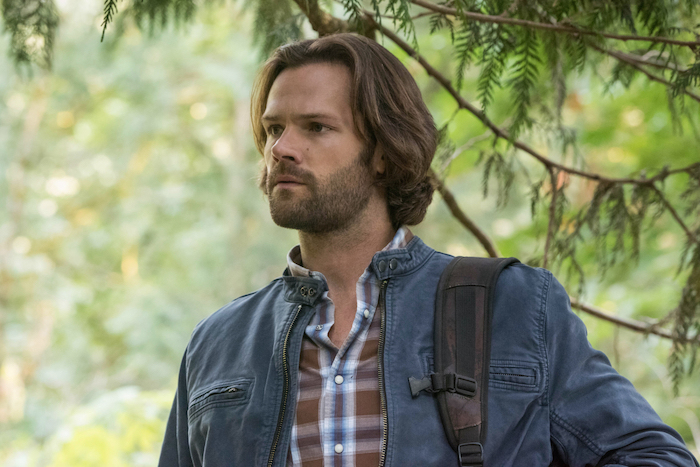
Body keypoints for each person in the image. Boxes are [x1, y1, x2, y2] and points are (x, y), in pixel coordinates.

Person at [158, 33, 698, 467]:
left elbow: (655, 457)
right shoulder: (217, 342)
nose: (281, 149)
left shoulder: (512, 305)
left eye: (316, 127)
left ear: (383, 153)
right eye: (274, 128)